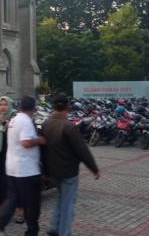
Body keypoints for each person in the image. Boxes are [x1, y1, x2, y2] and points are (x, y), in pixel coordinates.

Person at [41, 93, 100, 236]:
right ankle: (64, 232)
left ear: (53, 107)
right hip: (68, 172)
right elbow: (82, 150)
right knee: (68, 205)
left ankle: (55, 226)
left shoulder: (46, 124)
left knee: (62, 199)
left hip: (52, 171)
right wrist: (94, 169)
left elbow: (42, 149)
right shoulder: (69, 126)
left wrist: (45, 171)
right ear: (67, 108)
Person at [0, 96, 46, 236]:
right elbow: (26, 142)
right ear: (33, 108)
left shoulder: (14, 120)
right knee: (32, 203)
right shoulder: (25, 121)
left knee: (12, 199)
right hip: (26, 169)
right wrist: (39, 140)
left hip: (12, 167)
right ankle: (32, 231)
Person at [0, 96, 24, 223]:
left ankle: (20, 210)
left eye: (5, 104)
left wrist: (2, 122)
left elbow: (14, 131)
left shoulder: (14, 118)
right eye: (1, 104)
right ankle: (0, 206)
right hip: (0, 154)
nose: (2, 107)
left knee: (14, 182)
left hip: (12, 154)